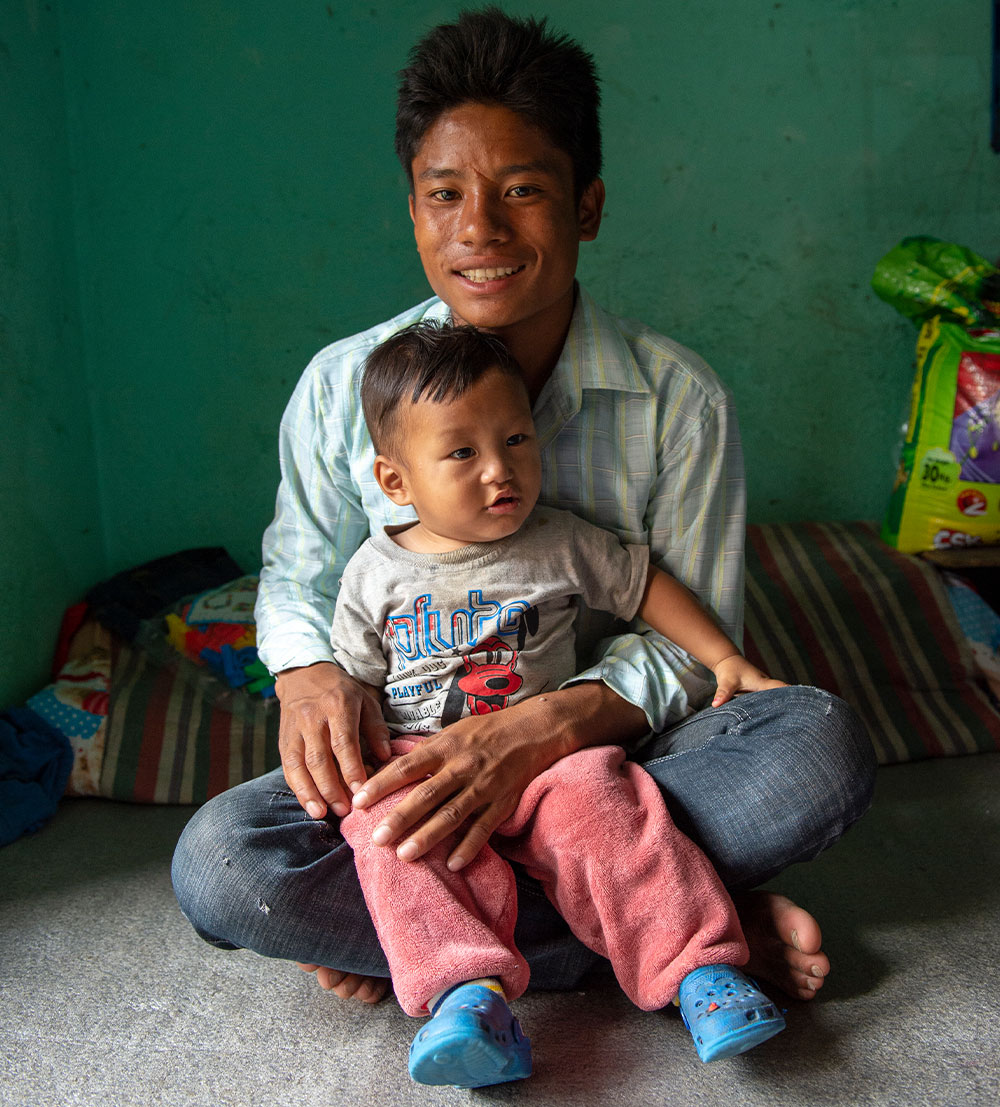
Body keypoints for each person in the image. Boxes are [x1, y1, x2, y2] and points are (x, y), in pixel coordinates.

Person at [171, 4, 876, 1046]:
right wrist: (309, 673)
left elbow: (692, 648)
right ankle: (681, 933)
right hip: (420, 772)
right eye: (444, 195)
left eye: (523, 192)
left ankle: (458, 946)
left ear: (587, 206)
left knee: (816, 745)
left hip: (612, 775)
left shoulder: (676, 399)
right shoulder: (338, 388)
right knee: (224, 863)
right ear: (410, 211)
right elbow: (298, 574)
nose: (480, 233)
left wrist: (532, 733)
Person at [334, 319, 787, 1086]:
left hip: (550, 758)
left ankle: (699, 972)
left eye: (516, 440)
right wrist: (353, 799)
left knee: (614, 806)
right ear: (395, 482)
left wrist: (725, 658)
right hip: (426, 766)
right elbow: (351, 690)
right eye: (462, 452)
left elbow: (643, 585)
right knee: (382, 834)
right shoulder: (371, 574)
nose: (499, 470)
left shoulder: (560, 540)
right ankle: (467, 996)